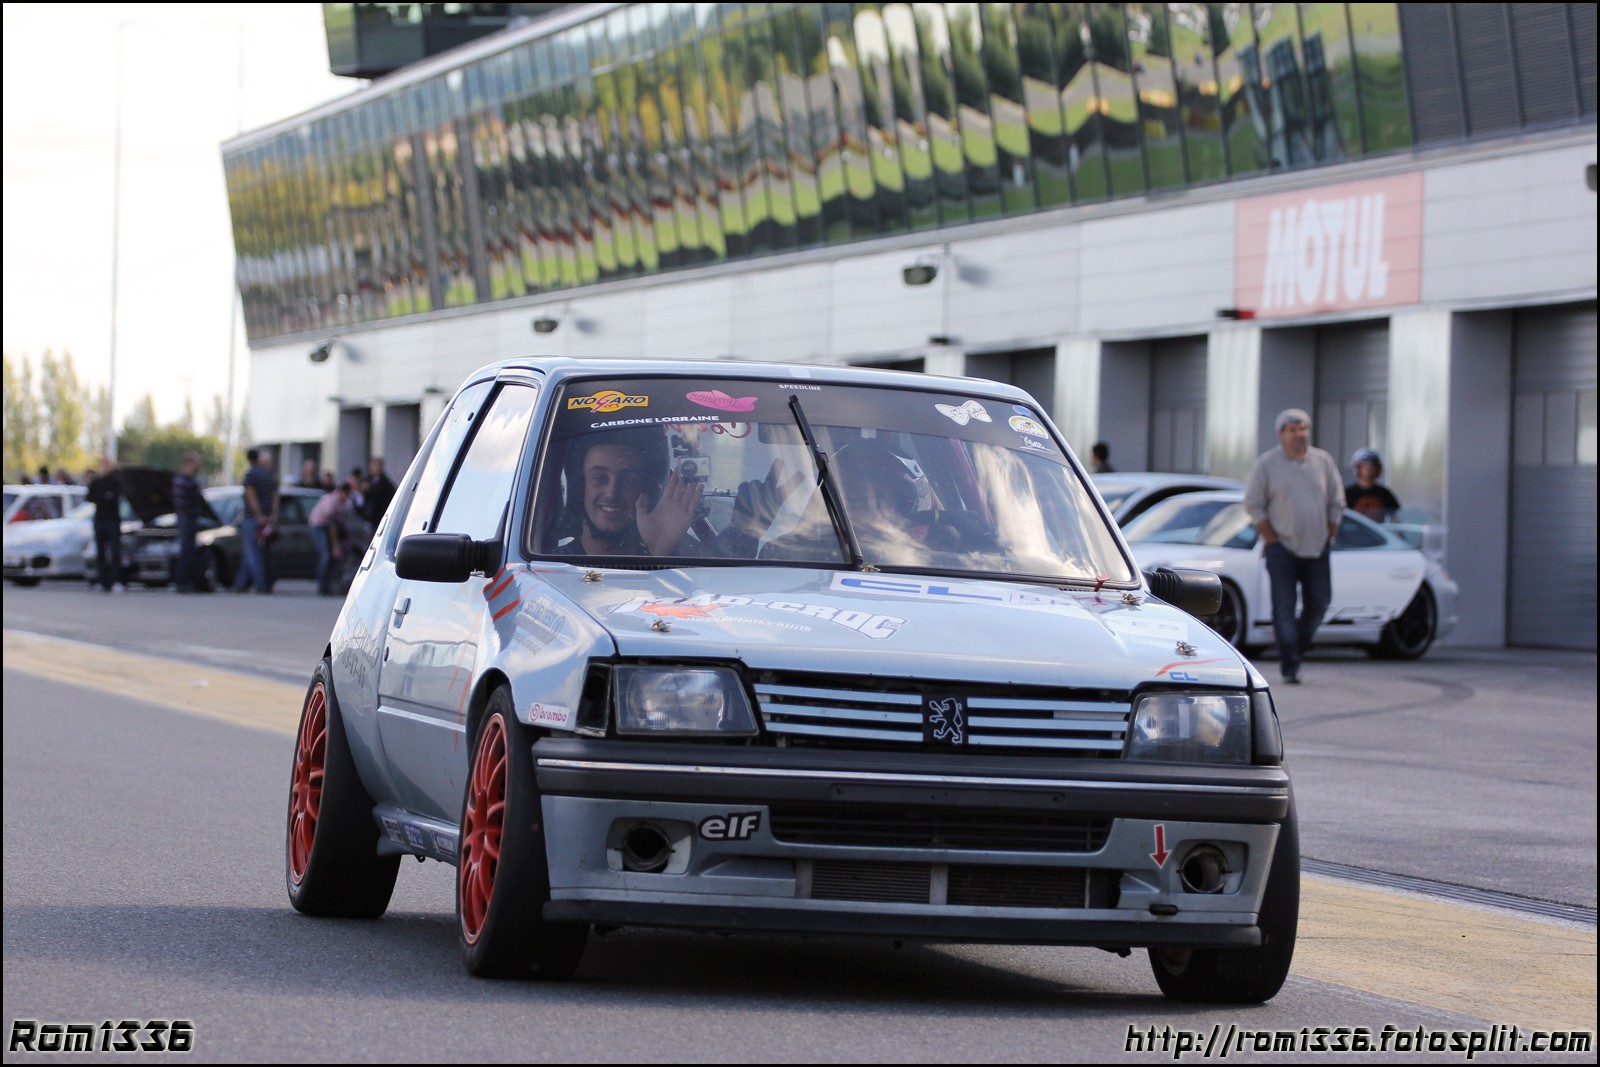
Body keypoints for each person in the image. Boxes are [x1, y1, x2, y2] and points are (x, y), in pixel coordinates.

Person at [1243, 409, 1343, 685]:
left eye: (1303, 429)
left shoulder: (1322, 461)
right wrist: (1271, 537)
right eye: (1293, 430)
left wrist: (1330, 532)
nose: (1299, 434)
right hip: (1281, 549)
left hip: (1318, 547)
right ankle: (1290, 663)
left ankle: (1295, 648)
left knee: (1319, 604)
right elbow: (1253, 504)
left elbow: (1336, 501)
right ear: (1281, 434)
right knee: (1284, 609)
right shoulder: (1267, 464)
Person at [551, 431, 701, 556]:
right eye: (599, 478)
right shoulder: (548, 570)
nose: (612, 493)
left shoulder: (684, 565)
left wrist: (661, 553)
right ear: (580, 487)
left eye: (628, 481)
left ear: (647, 490)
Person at [233, 449, 280, 594]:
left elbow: (250, 495)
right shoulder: (270, 476)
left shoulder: (252, 475)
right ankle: (240, 584)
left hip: (253, 518)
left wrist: (258, 515)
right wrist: (272, 517)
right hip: (266, 519)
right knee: (253, 553)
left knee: (253, 553)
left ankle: (261, 585)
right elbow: (275, 498)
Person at [86, 456, 125, 593]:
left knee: (115, 552)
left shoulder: (116, 481)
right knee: (100, 552)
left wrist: (104, 496)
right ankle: (102, 581)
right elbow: (90, 497)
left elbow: (115, 496)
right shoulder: (97, 481)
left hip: (113, 519)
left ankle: (116, 581)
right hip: (100, 519)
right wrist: (104, 496)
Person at [308, 483, 350, 596]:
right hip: (318, 526)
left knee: (330, 557)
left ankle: (328, 583)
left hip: (325, 526)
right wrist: (336, 546)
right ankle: (322, 585)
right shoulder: (330, 502)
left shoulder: (339, 502)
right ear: (341, 493)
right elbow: (332, 527)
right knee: (325, 555)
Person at [172, 452, 204, 592]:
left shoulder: (178, 480)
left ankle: (184, 581)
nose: (199, 466)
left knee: (186, 550)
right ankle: (184, 581)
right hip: (188, 518)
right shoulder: (188, 482)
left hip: (183, 517)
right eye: (197, 463)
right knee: (187, 551)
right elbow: (198, 500)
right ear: (190, 463)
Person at [1345, 447, 1401, 523]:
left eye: (1372, 466)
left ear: (1378, 469)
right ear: (1358, 469)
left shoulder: (1385, 494)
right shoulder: (1348, 493)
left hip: (1375, 534)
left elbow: (1395, 518)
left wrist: (1398, 534)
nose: (1369, 470)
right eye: (1365, 466)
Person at [362, 456, 396, 529]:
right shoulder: (366, 480)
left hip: (380, 515)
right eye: (374, 465)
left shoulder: (386, 483)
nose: (376, 468)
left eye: (378, 466)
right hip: (368, 516)